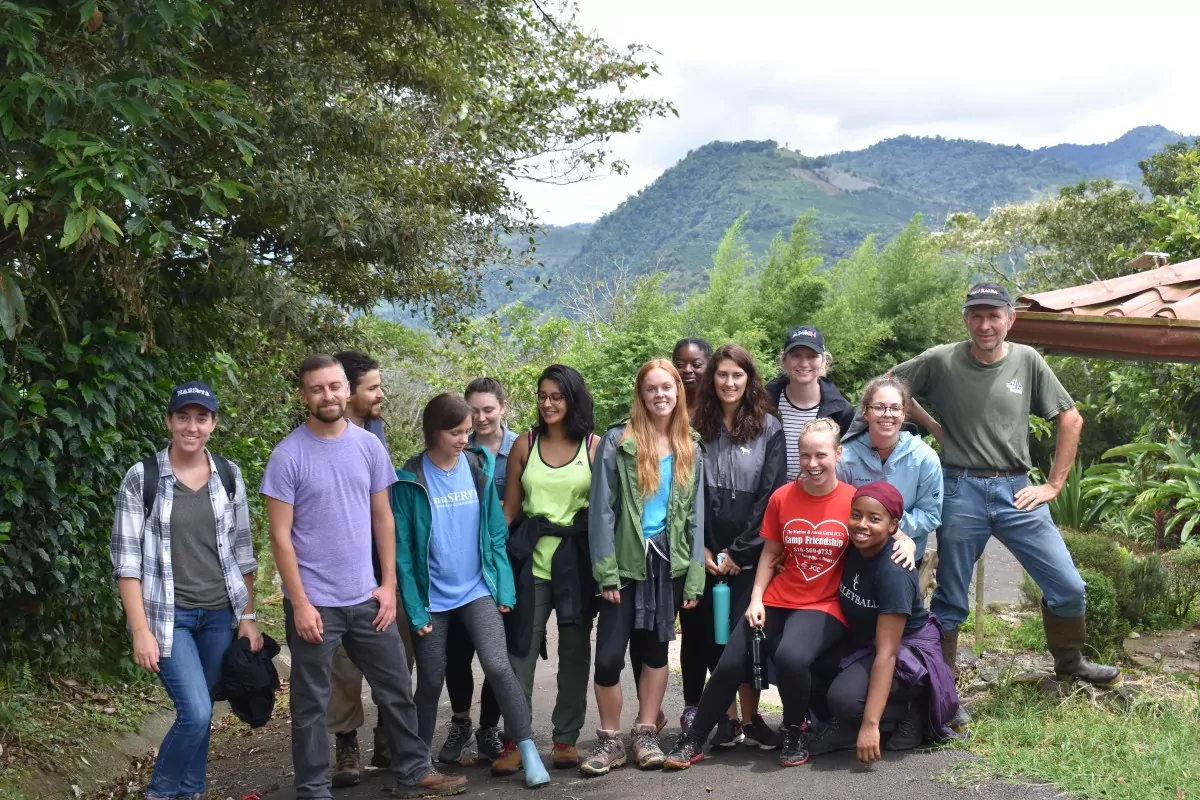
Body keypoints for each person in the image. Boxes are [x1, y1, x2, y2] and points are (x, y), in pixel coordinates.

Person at [892, 282, 1121, 687]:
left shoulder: (1028, 361)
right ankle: (942, 688)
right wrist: (934, 429)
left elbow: (1071, 419)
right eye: (976, 316)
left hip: (1019, 492)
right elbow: (891, 387)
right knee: (950, 599)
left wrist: (1052, 486)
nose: (985, 324)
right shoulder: (940, 360)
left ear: (1009, 320)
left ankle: (1069, 662)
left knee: (1068, 586)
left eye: (994, 315)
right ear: (965, 319)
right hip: (960, 488)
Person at [262, 355, 465, 800]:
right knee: (311, 705)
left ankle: (414, 774)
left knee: (395, 690)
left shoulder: (369, 446)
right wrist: (300, 603)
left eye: (335, 386)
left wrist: (388, 585)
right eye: (318, 389)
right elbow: (280, 538)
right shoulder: (288, 455)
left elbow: (383, 519)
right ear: (305, 396)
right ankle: (313, 789)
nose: (328, 395)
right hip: (315, 603)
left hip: (367, 598)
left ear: (345, 390)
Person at [664, 419, 915, 771]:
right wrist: (755, 599)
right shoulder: (782, 497)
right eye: (806, 455)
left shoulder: (851, 501)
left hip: (826, 604)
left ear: (838, 454)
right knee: (731, 662)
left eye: (821, 455)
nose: (813, 463)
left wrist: (908, 540)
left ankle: (795, 731)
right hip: (778, 596)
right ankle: (694, 739)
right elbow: (769, 554)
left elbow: (887, 526)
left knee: (792, 656)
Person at [110, 381, 262, 800]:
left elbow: (243, 555)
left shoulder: (229, 476)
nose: (191, 426)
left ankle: (191, 792)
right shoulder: (142, 478)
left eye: (201, 417)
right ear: (169, 421)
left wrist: (247, 618)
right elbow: (127, 563)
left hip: (218, 616)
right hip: (167, 617)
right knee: (194, 713)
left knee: (202, 710)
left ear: (213, 423)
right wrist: (141, 631)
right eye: (183, 416)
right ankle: (159, 793)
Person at [392, 394, 550, 788]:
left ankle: (528, 750)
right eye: (456, 432)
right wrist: (414, 609)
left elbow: (496, 533)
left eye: (466, 431)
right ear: (433, 432)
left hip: (477, 587)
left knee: (498, 665)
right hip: (431, 597)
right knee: (431, 677)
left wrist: (504, 590)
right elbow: (403, 554)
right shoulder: (409, 479)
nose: (465, 438)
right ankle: (417, 763)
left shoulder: (477, 466)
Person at [469, 365, 601, 773]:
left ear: (573, 399)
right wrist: (487, 560)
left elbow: (603, 515)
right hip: (531, 563)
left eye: (556, 396)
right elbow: (508, 511)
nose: (547, 404)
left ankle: (566, 739)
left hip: (577, 563)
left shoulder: (594, 447)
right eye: (543, 396)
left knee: (575, 653)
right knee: (520, 653)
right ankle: (516, 738)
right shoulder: (525, 445)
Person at [582, 359, 705, 777]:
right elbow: (600, 511)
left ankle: (646, 731)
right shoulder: (619, 441)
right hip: (626, 563)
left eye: (667, 388)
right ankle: (610, 740)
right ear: (641, 393)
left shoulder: (691, 444)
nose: (660, 395)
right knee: (609, 657)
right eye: (652, 388)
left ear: (678, 391)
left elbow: (695, 518)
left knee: (655, 650)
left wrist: (694, 575)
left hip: (668, 563)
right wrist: (606, 572)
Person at [680, 344, 787, 749]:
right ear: (712, 379)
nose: (728, 383)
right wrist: (704, 550)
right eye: (722, 375)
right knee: (708, 635)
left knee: (746, 638)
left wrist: (739, 554)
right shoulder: (692, 425)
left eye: (737, 376)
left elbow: (770, 495)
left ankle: (751, 717)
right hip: (703, 551)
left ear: (749, 380)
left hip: (748, 554)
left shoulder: (769, 427)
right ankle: (723, 720)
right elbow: (686, 495)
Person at [808, 482, 962, 761]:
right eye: (856, 515)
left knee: (842, 698)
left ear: (893, 526)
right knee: (801, 658)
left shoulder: (893, 572)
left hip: (905, 654)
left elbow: (888, 653)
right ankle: (846, 723)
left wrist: (870, 725)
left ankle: (913, 707)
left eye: (874, 519)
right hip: (867, 643)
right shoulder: (853, 547)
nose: (861, 524)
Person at [326, 350, 414, 787]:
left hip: (380, 567)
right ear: (348, 393)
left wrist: (392, 575)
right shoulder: (314, 440)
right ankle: (346, 744)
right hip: (337, 575)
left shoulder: (375, 431)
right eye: (373, 387)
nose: (381, 394)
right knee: (343, 664)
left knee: (397, 654)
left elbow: (384, 509)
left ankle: (387, 737)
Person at [438, 377, 521, 765]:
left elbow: (522, 502)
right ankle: (460, 721)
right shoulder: (455, 447)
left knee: (497, 654)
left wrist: (495, 527)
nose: (482, 417)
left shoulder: (520, 447)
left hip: (506, 563)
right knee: (457, 654)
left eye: (489, 409)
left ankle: (489, 726)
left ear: (504, 407)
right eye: (474, 410)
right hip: (458, 568)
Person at [837, 375, 943, 563]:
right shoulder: (845, 457)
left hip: (902, 556)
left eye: (895, 408)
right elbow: (835, 506)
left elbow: (930, 515)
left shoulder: (925, 458)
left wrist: (886, 525)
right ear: (865, 412)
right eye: (879, 407)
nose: (888, 414)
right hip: (852, 554)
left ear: (904, 413)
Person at [765, 326, 856, 480]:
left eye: (812, 356)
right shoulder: (765, 402)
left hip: (819, 498)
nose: (803, 363)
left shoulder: (840, 411)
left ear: (823, 360)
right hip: (774, 499)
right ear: (784, 359)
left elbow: (849, 462)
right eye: (796, 356)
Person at [672, 337, 712, 419]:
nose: (687, 370)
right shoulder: (664, 403)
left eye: (696, 365)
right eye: (680, 364)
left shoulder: (719, 406)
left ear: (710, 366)